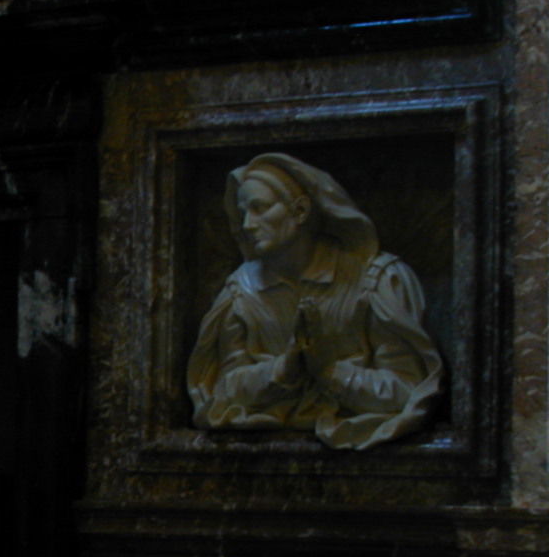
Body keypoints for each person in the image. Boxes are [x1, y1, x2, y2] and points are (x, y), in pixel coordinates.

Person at [186, 153, 443, 449]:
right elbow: (220, 393)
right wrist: (281, 370)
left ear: (300, 211)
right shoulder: (240, 291)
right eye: (243, 212)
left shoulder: (376, 279)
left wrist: (329, 371)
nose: (247, 224)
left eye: (259, 208)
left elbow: (410, 392)